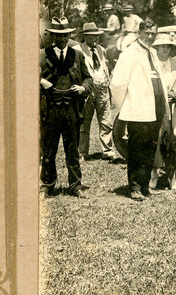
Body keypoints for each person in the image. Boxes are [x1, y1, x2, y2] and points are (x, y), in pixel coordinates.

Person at [110, 19, 164, 200]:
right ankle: (134, 187)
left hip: (155, 109)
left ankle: (145, 185)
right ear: (140, 33)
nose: (150, 36)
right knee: (136, 149)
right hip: (138, 111)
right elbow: (117, 83)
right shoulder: (129, 53)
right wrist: (126, 106)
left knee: (150, 148)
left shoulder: (153, 53)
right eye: (147, 33)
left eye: (153, 33)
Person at [39, 16, 93, 197]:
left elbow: (88, 78)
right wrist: (40, 81)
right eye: (58, 36)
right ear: (52, 36)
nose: (62, 40)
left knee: (72, 149)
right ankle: (48, 184)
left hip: (71, 109)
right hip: (51, 108)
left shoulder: (77, 55)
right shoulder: (42, 54)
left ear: (69, 36)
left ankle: (75, 185)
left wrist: (83, 87)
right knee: (49, 149)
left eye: (65, 36)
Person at [147, 32, 176, 191]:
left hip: (175, 109)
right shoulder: (151, 65)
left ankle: (173, 177)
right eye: (162, 46)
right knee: (157, 142)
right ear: (157, 48)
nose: (165, 49)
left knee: (175, 143)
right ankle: (154, 175)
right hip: (156, 109)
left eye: (168, 46)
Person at [75, 21, 118, 162]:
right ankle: (82, 152)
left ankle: (108, 151)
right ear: (85, 37)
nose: (95, 39)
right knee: (84, 122)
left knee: (106, 121)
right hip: (87, 89)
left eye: (97, 36)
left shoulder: (101, 50)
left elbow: (105, 68)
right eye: (92, 36)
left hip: (103, 88)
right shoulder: (78, 50)